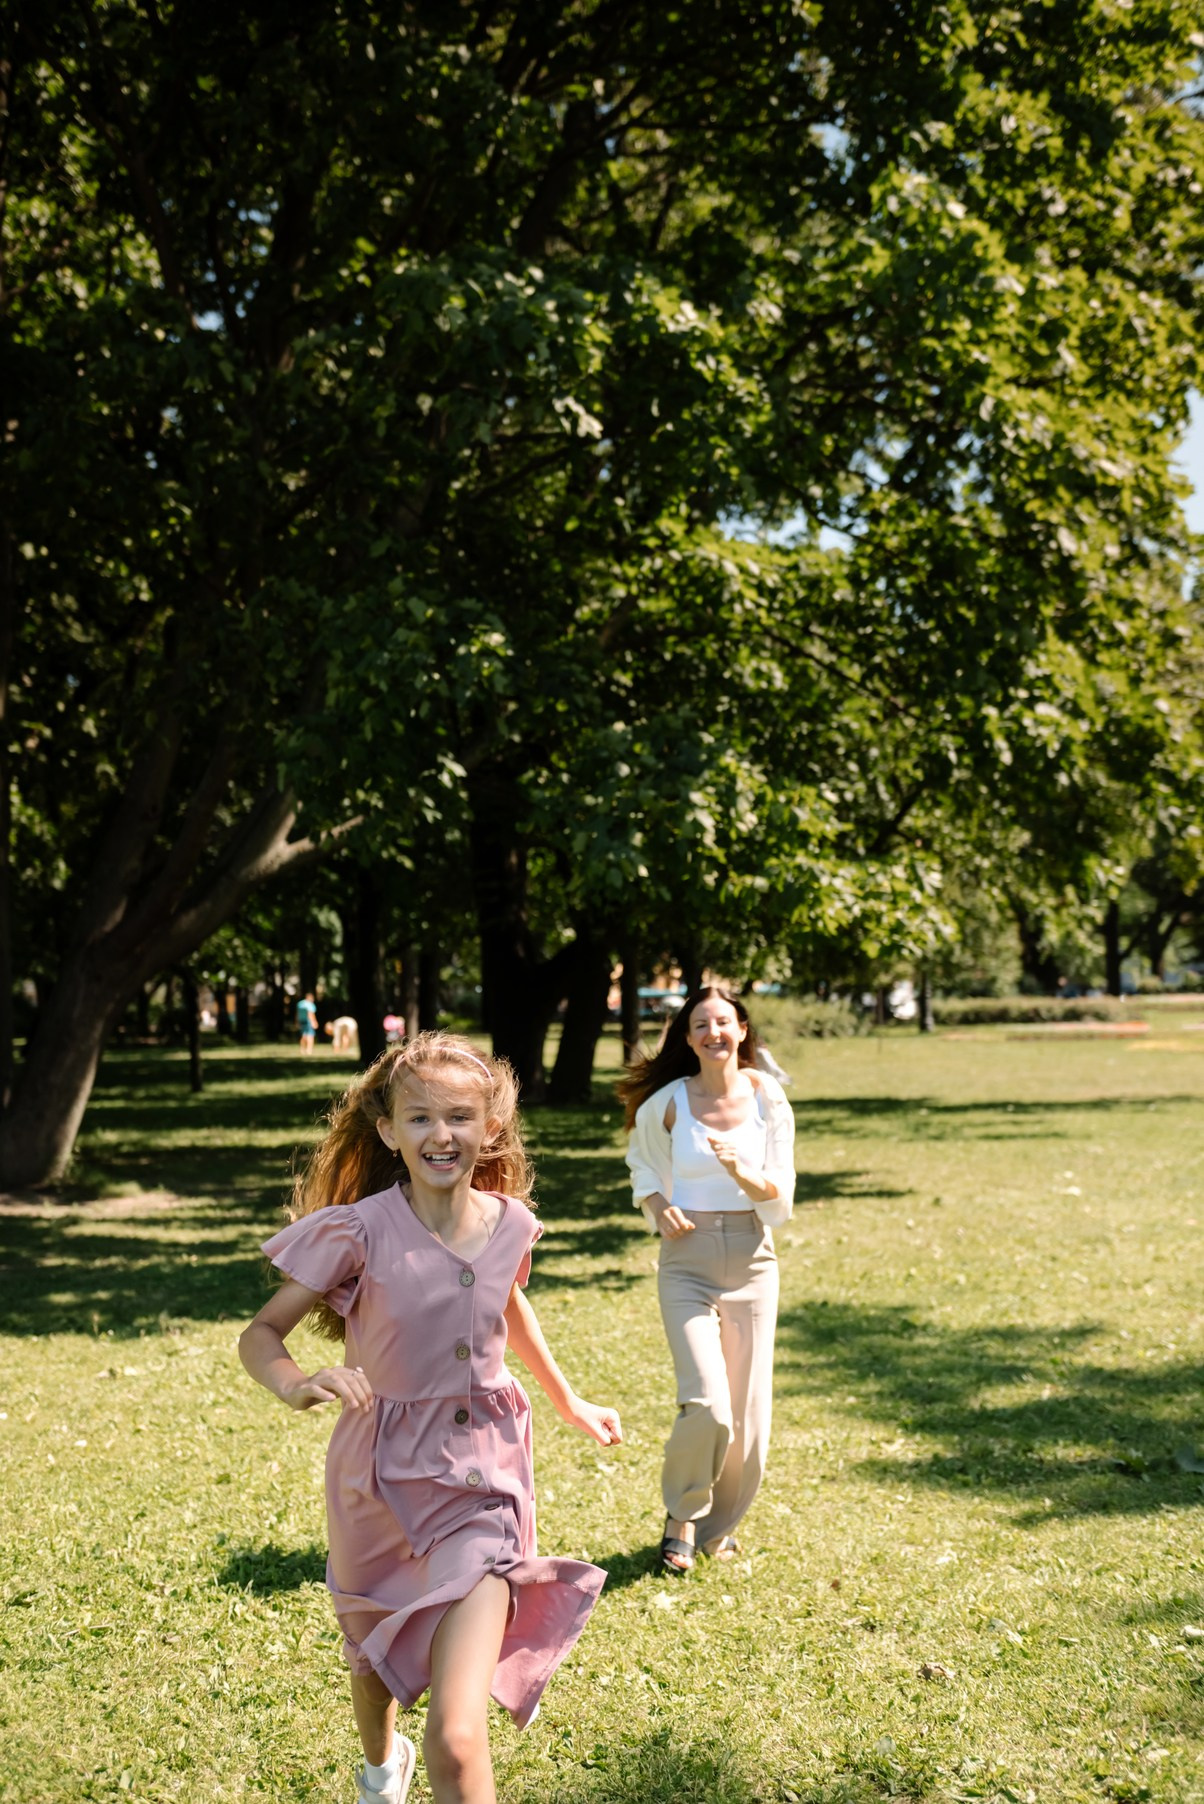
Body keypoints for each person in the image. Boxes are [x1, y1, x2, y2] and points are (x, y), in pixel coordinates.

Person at [240, 1033, 621, 1804]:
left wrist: (565, 1396)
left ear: (489, 1129)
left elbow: (506, 1303)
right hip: (375, 1478)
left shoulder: (512, 1224)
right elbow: (260, 1334)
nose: (439, 1135)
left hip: (482, 1482)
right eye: (419, 1118)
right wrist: (296, 1383)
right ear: (388, 1131)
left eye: (458, 1117)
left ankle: (429, 1757)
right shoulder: (357, 1230)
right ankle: (382, 1769)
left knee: (456, 1731)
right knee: (371, 1658)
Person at [619, 985, 795, 1576]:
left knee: (748, 1417)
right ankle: (681, 1518)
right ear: (688, 1038)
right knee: (708, 1403)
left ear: (742, 1030)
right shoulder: (668, 1102)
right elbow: (641, 1162)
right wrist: (657, 1202)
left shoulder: (768, 1097)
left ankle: (718, 1529)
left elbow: (782, 1194)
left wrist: (745, 1173)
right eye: (700, 1024)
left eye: (723, 1021)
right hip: (687, 1260)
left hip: (752, 1259)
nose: (713, 1032)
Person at [296, 990, 318, 1055]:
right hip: (308, 1021)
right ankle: (309, 1050)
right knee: (310, 1036)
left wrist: (296, 1021)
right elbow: (310, 1014)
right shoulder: (310, 1004)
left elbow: (297, 1014)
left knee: (303, 1035)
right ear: (310, 998)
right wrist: (314, 1022)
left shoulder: (300, 1004)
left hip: (301, 1020)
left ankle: (302, 1050)